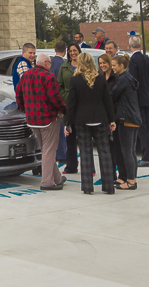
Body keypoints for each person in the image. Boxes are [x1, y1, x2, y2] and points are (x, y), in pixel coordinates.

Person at [65, 52, 115, 194]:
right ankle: (108, 186)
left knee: (85, 153)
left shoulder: (75, 80)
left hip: (82, 120)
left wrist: (68, 123)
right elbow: (108, 101)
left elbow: (71, 104)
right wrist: (112, 119)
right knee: (104, 152)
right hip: (101, 118)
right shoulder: (101, 78)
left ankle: (87, 187)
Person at [17, 54, 66, 190]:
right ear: (46, 63)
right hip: (48, 119)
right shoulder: (49, 77)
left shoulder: (25, 76)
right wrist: (64, 109)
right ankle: (47, 182)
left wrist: (23, 108)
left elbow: (18, 94)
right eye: (50, 63)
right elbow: (55, 98)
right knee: (49, 151)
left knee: (46, 150)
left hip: (32, 119)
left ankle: (57, 178)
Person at [108, 56, 141, 190]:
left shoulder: (123, 79)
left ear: (121, 65)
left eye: (114, 65)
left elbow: (113, 95)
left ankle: (131, 181)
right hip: (134, 117)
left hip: (126, 118)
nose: (112, 68)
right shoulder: (129, 77)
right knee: (131, 151)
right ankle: (130, 178)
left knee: (127, 151)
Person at [127, 35, 149, 168]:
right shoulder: (147, 59)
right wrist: (147, 90)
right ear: (140, 45)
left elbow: (132, 81)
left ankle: (147, 157)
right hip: (146, 97)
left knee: (142, 129)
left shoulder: (133, 61)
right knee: (148, 128)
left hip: (137, 99)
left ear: (129, 46)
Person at [56, 43, 80, 173]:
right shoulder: (64, 67)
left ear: (79, 51)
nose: (72, 53)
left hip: (82, 106)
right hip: (68, 105)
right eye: (70, 51)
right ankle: (71, 166)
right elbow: (59, 85)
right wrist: (64, 97)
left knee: (84, 138)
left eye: (75, 50)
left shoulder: (84, 66)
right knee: (69, 137)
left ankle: (90, 167)